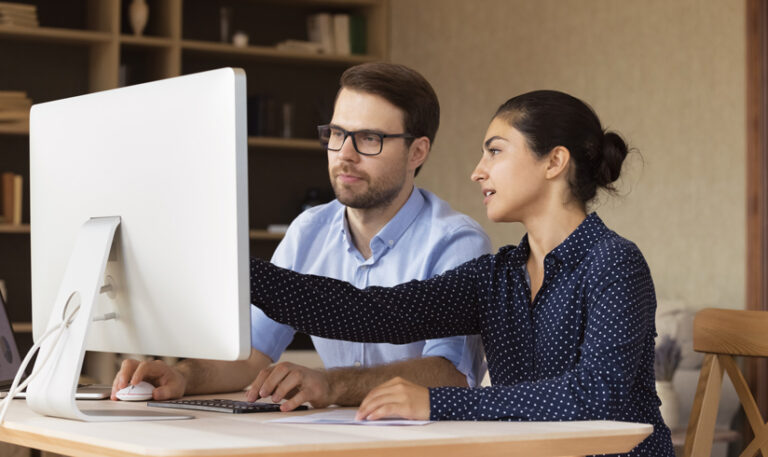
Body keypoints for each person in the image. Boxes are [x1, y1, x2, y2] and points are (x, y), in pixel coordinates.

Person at [249, 90, 675, 456]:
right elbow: (374, 311)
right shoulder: (497, 276)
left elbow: (596, 395)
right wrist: (240, 273)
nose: (478, 171)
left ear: (554, 162)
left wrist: (436, 403)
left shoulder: (614, 263)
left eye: (495, 150)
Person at [111, 62, 491, 411]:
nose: (345, 154)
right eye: (337, 134)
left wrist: (332, 385)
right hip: (335, 439)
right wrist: (182, 376)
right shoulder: (309, 230)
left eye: (369, 139)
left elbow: (451, 375)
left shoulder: (456, 243)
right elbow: (254, 351)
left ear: (417, 152)